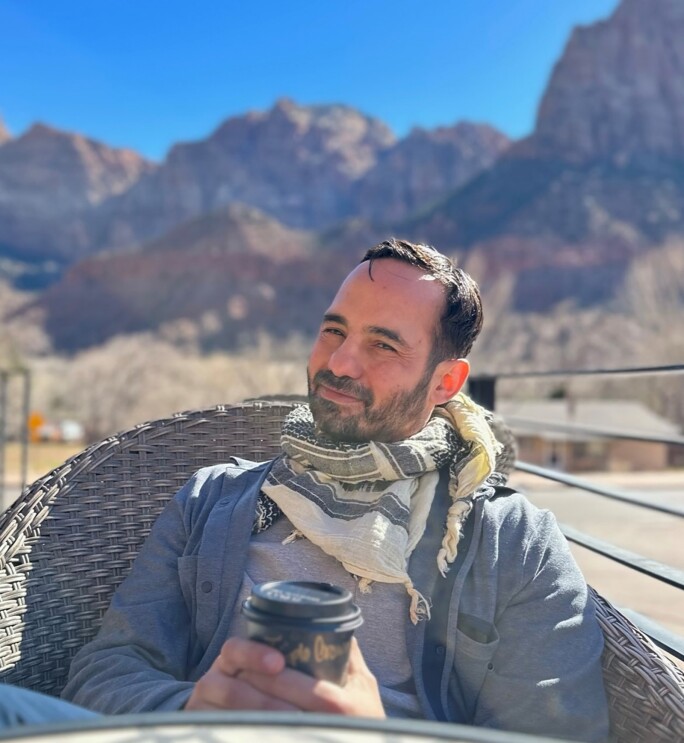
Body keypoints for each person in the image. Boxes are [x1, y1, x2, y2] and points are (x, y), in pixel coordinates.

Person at [54, 239, 607, 739]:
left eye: (383, 345)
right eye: (334, 331)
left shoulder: (512, 542)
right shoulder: (212, 499)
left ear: (445, 382)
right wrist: (190, 708)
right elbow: (106, 671)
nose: (339, 363)